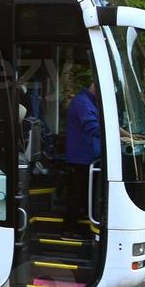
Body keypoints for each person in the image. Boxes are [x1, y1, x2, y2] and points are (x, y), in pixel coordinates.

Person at [64, 79, 102, 223]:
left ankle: (79, 222)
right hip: (81, 157)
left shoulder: (89, 102)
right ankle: (68, 229)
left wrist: (126, 135)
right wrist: (117, 136)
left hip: (88, 156)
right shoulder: (83, 103)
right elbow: (93, 127)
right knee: (77, 194)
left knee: (85, 193)